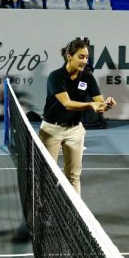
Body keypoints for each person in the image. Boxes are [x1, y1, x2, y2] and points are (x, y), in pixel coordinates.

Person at [39, 38, 116, 194]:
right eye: (81, 56)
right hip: (51, 130)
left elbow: (99, 104)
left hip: (75, 130)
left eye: (86, 57)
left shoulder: (87, 78)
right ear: (69, 56)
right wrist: (90, 105)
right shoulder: (56, 77)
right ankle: (43, 211)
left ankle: (73, 216)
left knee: (73, 176)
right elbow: (66, 103)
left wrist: (106, 104)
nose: (85, 61)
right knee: (46, 175)